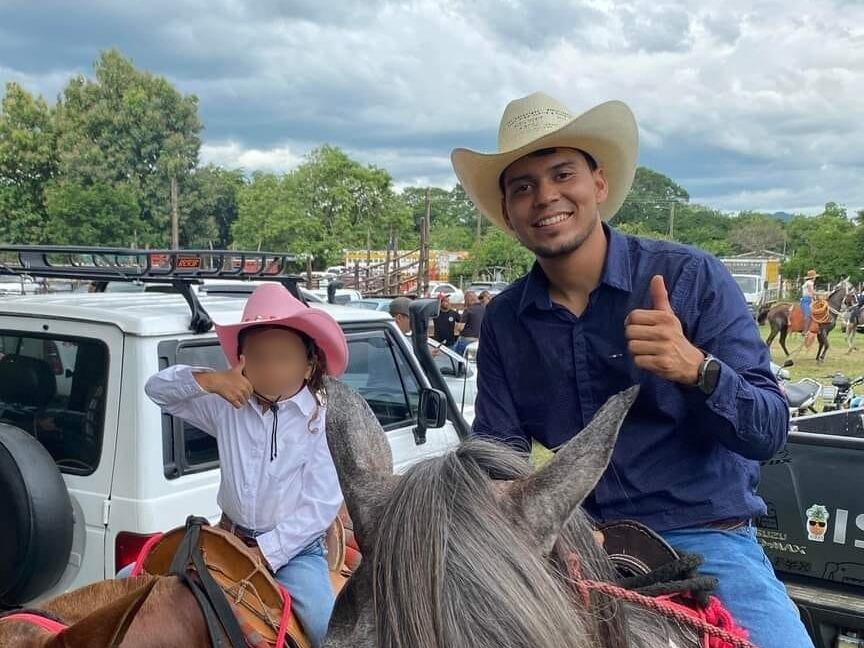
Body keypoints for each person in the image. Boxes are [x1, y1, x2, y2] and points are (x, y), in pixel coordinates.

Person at [451, 92, 812, 648]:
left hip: (702, 539)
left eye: (561, 173)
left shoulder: (691, 277)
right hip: (574, 543)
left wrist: (697, 369)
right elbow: (500, 454)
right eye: (522, 186)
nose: (545, 196)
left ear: (598, 184)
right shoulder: (505, 319)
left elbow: (768, 431)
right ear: (508, 212)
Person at [144, 283, 348, 648]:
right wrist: (209, 381)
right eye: (258, 357)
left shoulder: (320, 420)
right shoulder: (226, 403)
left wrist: (265, 553)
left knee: (325, 628)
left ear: (309, 364)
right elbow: (156, 390)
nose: (270, 368)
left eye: (283, 357)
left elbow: (319, 506)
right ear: (241, 362)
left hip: (294, 552)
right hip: (227, 537)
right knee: (135, 581)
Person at [454, 290, 484, 356]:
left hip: (467, 340)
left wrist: (457, 325)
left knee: (455, 355)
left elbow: (460, 328)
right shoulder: (484, 309)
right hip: (480, 341)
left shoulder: (468, 310)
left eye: (465, 300)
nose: (465, 302)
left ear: (468, 299)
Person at [801, 269, 818, 344]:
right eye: (815, 277)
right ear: (813, 277)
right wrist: (822, 294)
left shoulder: (810, 283)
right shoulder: (809, 283)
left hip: (809, 300)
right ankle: (804, 331)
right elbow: (812, 292)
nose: (815, 278)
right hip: (806, 300)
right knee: (807, 315)